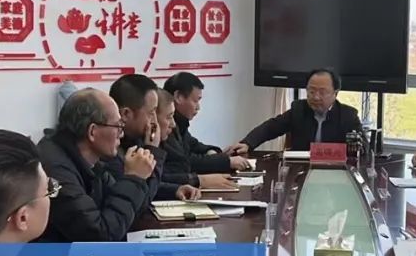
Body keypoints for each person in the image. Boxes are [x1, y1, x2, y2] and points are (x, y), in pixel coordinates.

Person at [37, 88, 157, 242]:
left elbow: (131, 211)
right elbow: (99, 235)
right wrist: (134, 179)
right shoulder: (55, 170)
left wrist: (137, 181)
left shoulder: (90, 161)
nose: (121, 134)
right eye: (118, 126)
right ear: (92, 131)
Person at [105, 74, 199, 202]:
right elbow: (142, 197)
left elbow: (142, 186)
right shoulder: (109, 149)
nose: (154, 121)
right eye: (151, 113)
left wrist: (174, 190)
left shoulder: (136, 139)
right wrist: (153, 151)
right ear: (126, 114)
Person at [228, 68, 362, 153]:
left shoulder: (348, 116)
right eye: (311, 91)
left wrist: (357, 147)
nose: (316, 97)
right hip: (301, 169)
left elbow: (363, 150)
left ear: (335, 93)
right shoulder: (299, 109)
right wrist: (247, 143)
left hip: (336, 171)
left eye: (322, 92)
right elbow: (270, 127)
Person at [163, 72, 250, 176]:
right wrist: (226, 161)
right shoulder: (165, 127)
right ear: (178, 97)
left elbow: (195, 145)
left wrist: (214, 154)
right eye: (195, 101)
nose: (198, 107)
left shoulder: (180, 123)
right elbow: (185, 162)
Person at [155, 89, 235, 191]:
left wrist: (212, 153)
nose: (173, 124)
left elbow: (193, 147)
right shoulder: (155, 140)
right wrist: (200, 180)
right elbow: (182, 165)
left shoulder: (178, 127)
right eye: (169, 117)